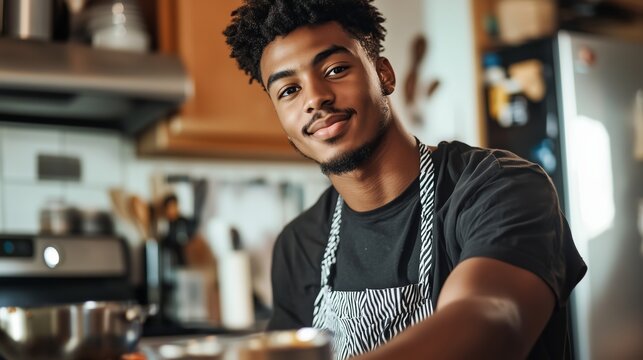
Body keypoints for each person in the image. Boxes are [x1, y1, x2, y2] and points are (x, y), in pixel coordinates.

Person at [224, 1, 587, 359]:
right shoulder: (300, 246)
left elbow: (492, 321)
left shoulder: (499, 188)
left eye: (335, 69)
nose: (316, 98)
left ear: (384, 74)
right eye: (289, 91)